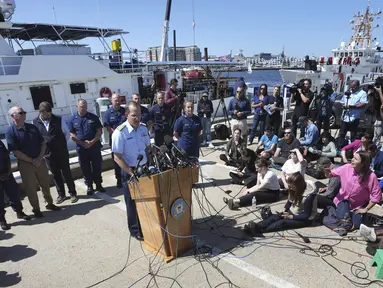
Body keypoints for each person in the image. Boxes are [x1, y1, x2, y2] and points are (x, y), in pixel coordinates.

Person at [6, 106, 60, 217]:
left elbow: (43, 143)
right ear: (13, 116)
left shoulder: (32, 127)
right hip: (26, 164)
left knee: (45, 184)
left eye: (24, 112)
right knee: (30, 188)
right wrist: (32, 160)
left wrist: (40, 158)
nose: (24, 114)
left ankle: (49, 203)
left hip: (39, 161)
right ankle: (36, 209)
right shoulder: (10, 131)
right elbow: (16, 152)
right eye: (21, 112)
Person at [112, 101, 150, 241]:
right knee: (132, 203)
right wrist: (130, 172)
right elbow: (117, 157)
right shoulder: (119, 132)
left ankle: (146, 225)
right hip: (130, 171)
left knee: (147, 199)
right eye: (134, 115)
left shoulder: (143, 129)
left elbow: (147, 148)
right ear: (127, 114)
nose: (138, 118)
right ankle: (135, 230)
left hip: (145, 169)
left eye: (139, 115)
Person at [324, 151, 381, 234]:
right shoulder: (347, 167)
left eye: (355, 159)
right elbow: (332, 174)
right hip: (343, 200)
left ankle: (358, 217)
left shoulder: (371, 176)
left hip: (358, 205)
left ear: (362, 163)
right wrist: (327, 173)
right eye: (353, 157)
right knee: (345, 223)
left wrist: (366, 209)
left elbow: (377, 196)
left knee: (356, 225)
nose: (352, 160)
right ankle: (341, 214)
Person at [243, 172, 318, 235]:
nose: (291, 188)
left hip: (305, 220)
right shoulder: (294, 190)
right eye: (290, 187)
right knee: (276, 217)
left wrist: (290, 217)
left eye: (292, 187)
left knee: (282, 223)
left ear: (299, 186)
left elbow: (306, 215)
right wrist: (285, 210)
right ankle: (256, 226)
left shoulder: (309, 196)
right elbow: (290, 201)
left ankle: (259, 231)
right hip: (294, 214)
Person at [33, 102, 78, 204]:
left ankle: (72, 193)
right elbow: (38, 138)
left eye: (50, 113)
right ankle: (61, 194)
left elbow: (66, 133)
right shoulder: (35, 122)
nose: (49, 116)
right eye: (47, 114)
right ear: (41, 112)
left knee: (67, 173)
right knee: (55, 174)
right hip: (48, 154)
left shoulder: (58, 119)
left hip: (61, 152)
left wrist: (60, 144)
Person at [68, 99, 105, 195]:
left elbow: (99, 131)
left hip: (94, 147)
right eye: (81, 107)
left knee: (97, 166)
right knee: (85, 168)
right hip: (82, 149)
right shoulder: (72, 119)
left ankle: (98, 184)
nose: (83, 108)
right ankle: (89, 186)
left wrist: (92, 142)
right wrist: (82, 143)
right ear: (77, 106)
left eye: (85, 107)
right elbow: (72, 134)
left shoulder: (93, 117)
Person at [0, 140, 31, 230]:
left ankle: (19, 212)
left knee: (14, 194)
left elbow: (7, 157)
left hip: (7, 174)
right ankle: (2, 220)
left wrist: (8, 172)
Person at [103, 93, 126, 188]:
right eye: (115, 100)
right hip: (115, 141)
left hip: (125, 140)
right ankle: (119, 179)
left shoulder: (125, 111)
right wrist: (116, 135)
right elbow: (107, 127)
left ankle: (127, 176)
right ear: (111, 101)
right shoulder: (108, 113)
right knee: (116, 160)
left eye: (119, 100)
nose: (117, 102)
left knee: (126, 158)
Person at [338, 80, 368, 146]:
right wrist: (344, 106)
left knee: (353, 135)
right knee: (342, 133)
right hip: (345, 117)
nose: (352, 89)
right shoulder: (349, 92)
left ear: (358, 86)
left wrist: (351, 107)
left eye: (354, 87)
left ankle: (353, 148)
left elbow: (363, 104)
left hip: (355, 117)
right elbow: (342, 102)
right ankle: (339, 147)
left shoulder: (362, 93)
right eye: (351, 87)